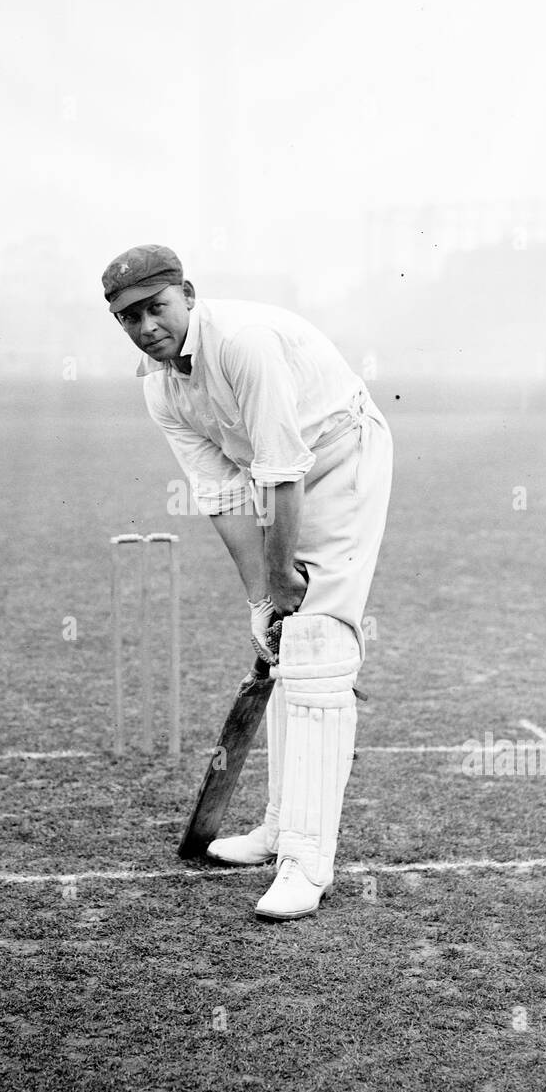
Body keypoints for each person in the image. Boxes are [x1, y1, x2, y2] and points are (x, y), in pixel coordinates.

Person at [101, 244, 393, 920]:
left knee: (316, 645)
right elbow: (223, 496)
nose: (146, 327)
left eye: (157, 308)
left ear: (188, 294)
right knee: (285, 644)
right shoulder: (159, 387)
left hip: (340, 458)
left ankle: (307, 863)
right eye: (129, 318)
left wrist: (286, 578)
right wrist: (262, 597)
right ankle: (279, 826)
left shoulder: (244, 344)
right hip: (279, 477)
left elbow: (282, 473)